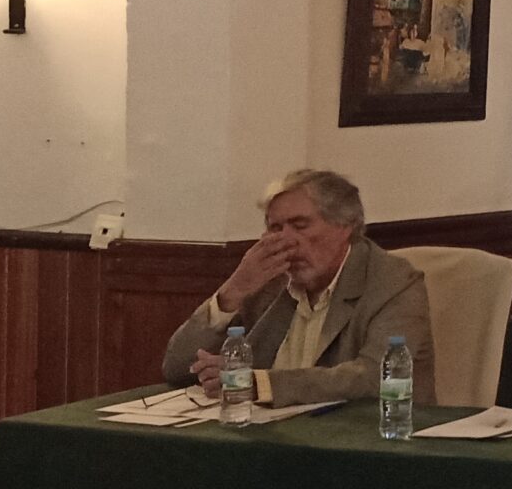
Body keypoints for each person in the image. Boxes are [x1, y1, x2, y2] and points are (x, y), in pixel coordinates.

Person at [160, 170, 434, 407]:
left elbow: (377, 375)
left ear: (345, 227)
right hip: (265, 431)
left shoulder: (393, 281)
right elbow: (178, 368)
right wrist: (233, 291)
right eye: (275, 228)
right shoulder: (268, 278)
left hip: (364, 435)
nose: (285, 240)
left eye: (300, 226)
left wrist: (261, 384)